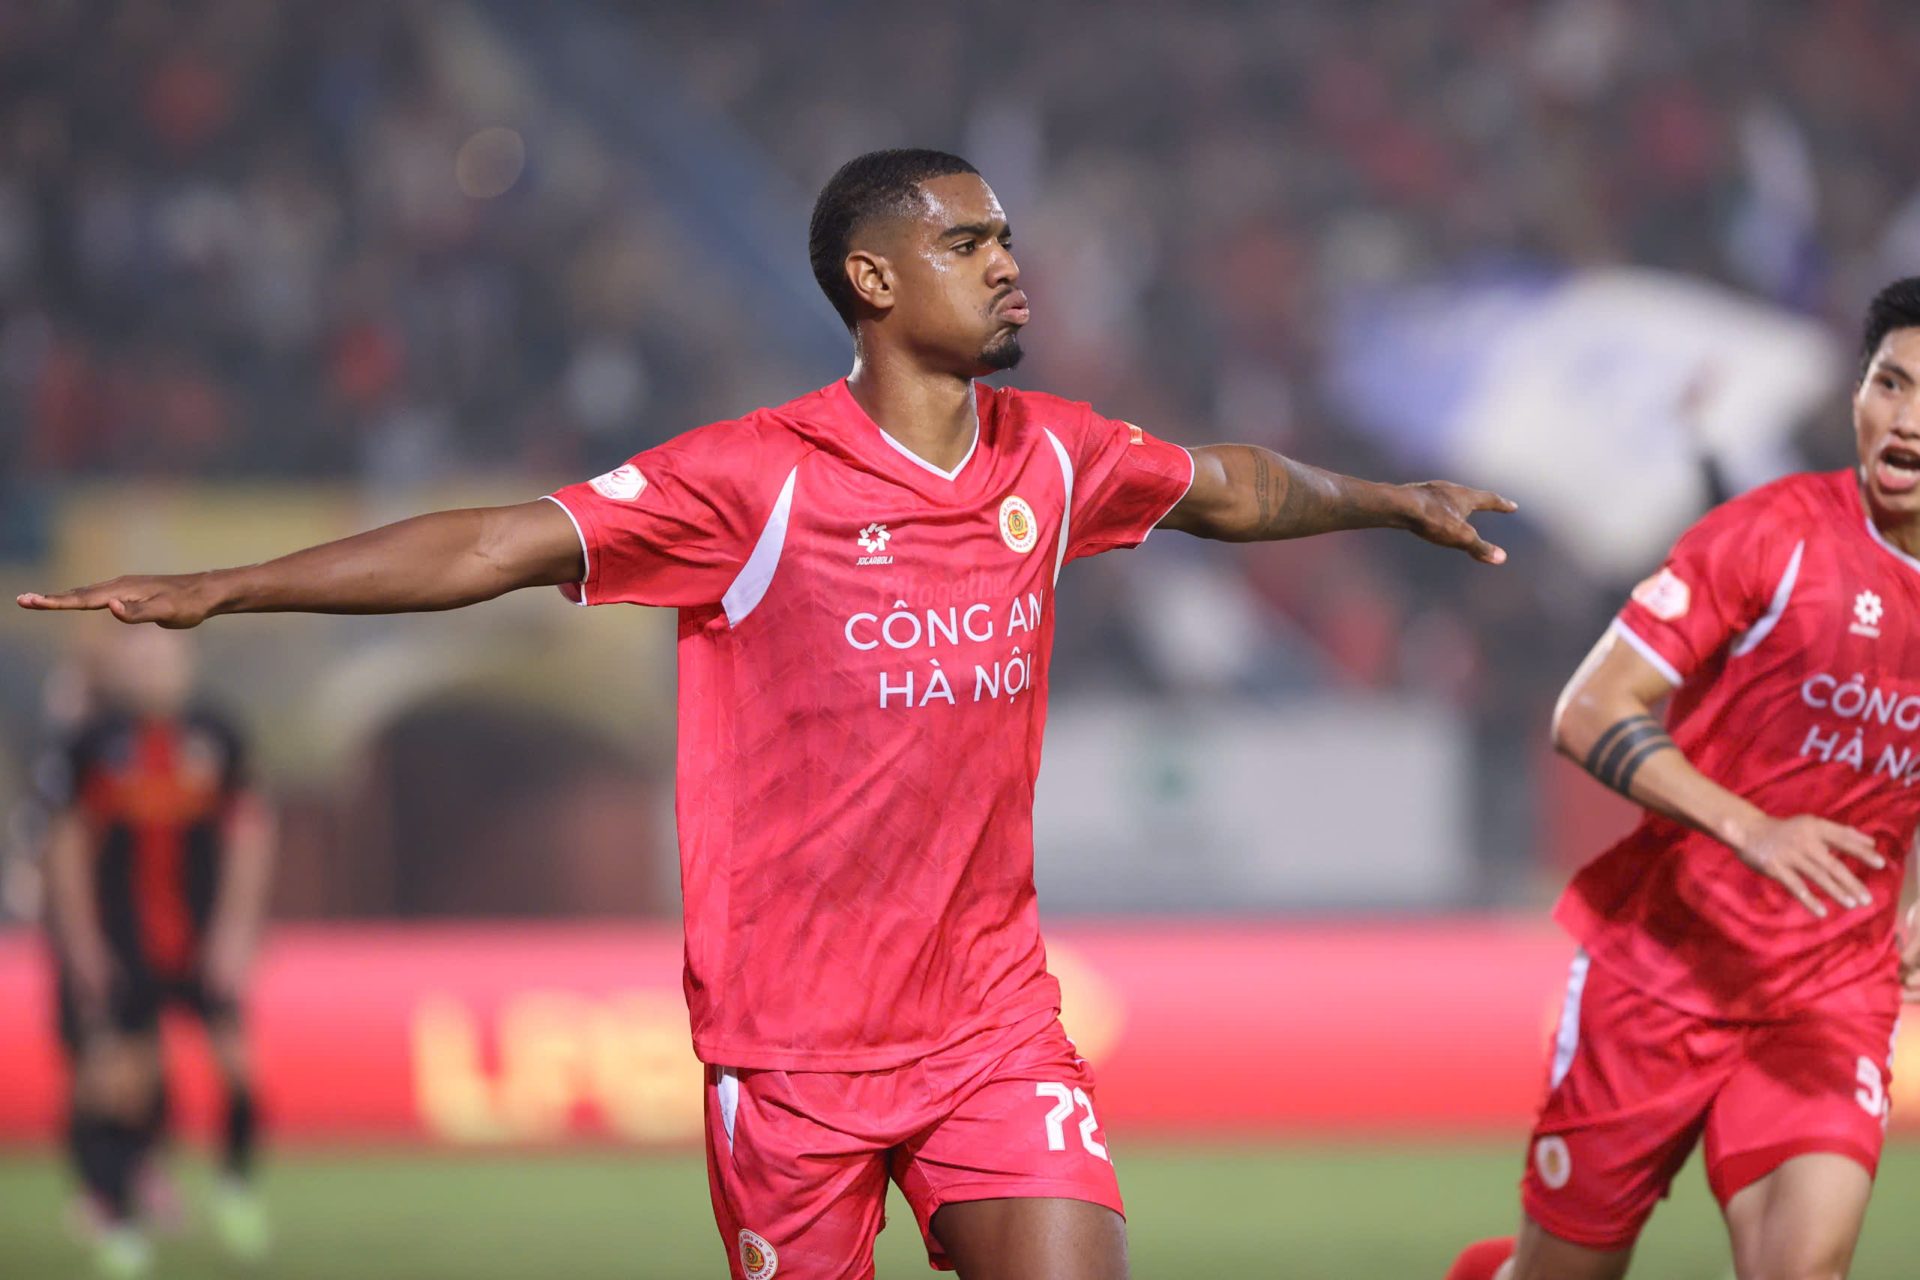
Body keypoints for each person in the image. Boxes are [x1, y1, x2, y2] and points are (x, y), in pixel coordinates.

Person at [22, 148, 1513, 1280]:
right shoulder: (753, 481)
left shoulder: (1053, 455)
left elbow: (1230, 486)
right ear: (875, 280)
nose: (1011, 267)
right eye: (970, 242)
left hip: (991, 1024)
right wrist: (231, 589)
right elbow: (495, 544)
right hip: (792, 1057)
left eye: (1007, 239)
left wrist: (1386, 500)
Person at [1445, 277, 1920, 1280]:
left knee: (1805, 1266)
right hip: (1660, 974)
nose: (1907, 419)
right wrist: (1753, 828)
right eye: (1891, 383)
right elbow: (1587, 711)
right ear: (1857, 394)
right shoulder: (1768, 534)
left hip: (1831, 991)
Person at [40, 627, 275, 1278]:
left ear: (187, 660)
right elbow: (66, 846)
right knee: (119, 1084)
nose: (153, 669)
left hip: (200, 936)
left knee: (239, 1070)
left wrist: (237, 929)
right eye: (140, 657)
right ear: (121, 667)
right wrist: (83, 943)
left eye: (163, 656)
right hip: (126, 939)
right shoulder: (94, 743)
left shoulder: (218, 733)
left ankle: (235, 1186)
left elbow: (250, 833)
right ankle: (116, 1221)